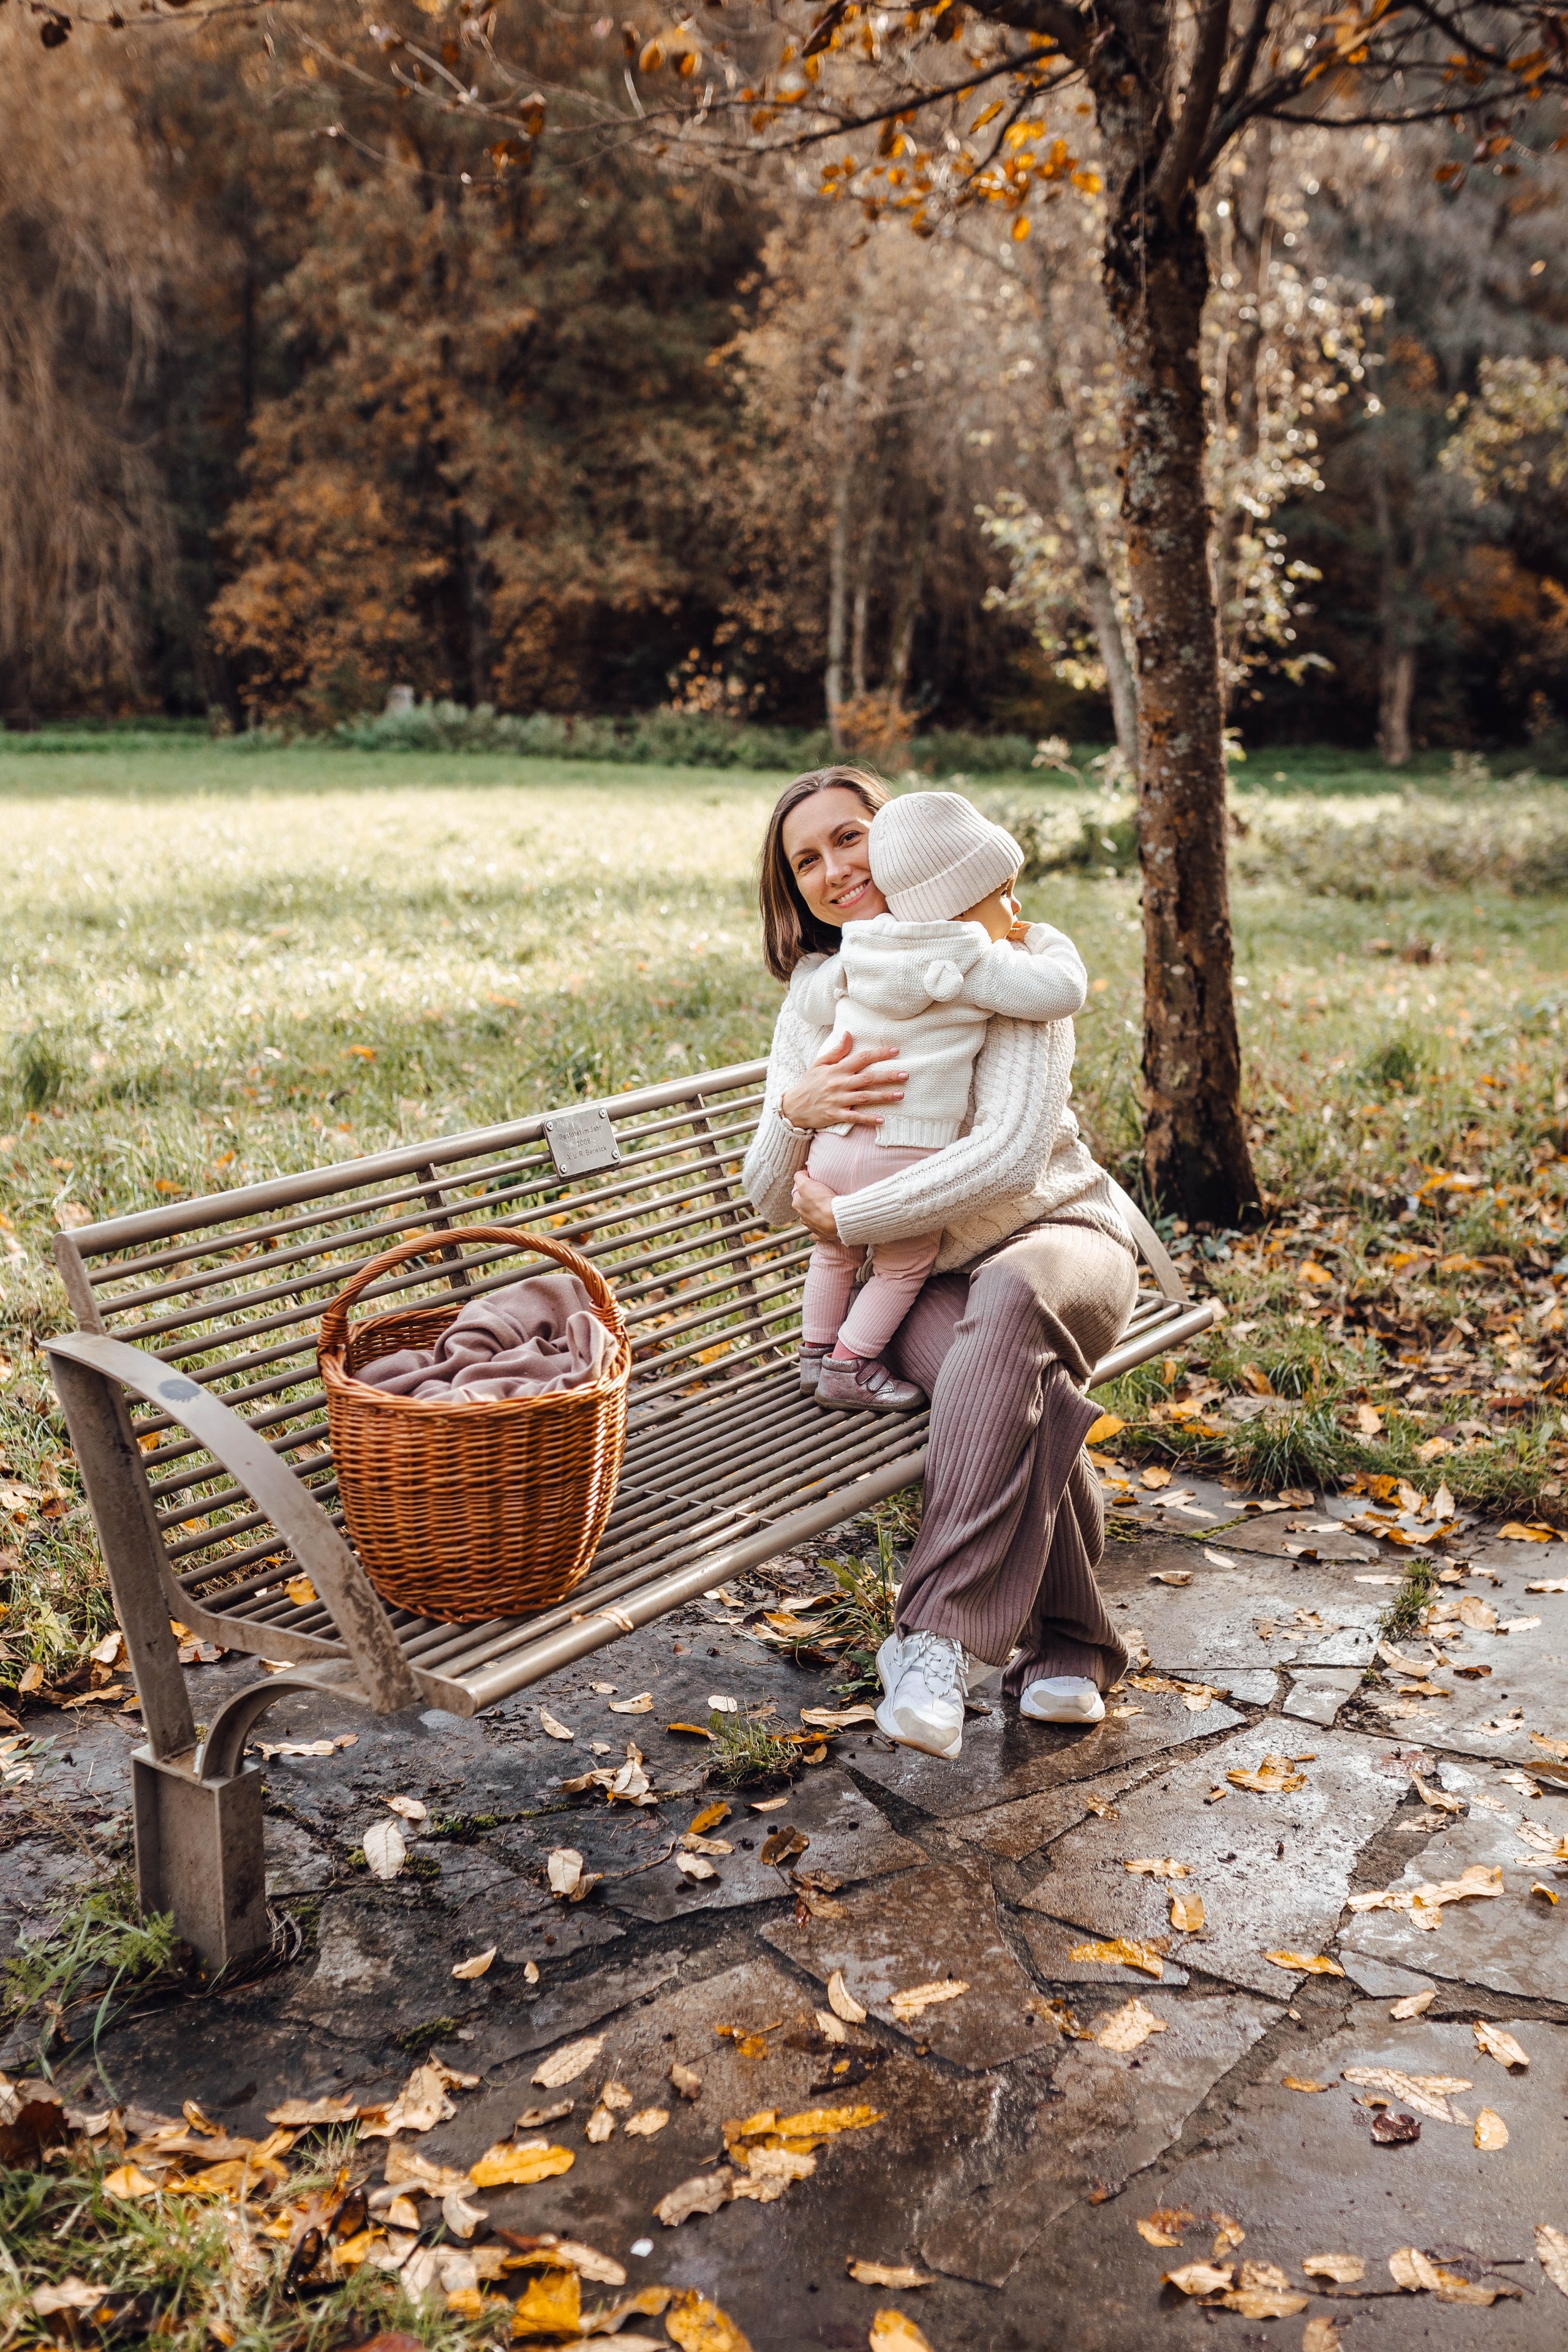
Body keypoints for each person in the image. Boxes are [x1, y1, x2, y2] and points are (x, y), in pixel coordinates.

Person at [742, 764, 1140, 1762]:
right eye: (807, 860)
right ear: (793, 892)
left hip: (1062, 1240)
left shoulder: (1012, 954)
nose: (837, 868)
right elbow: (764, 1194)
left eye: (852, 837)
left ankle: (933, 1634)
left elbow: (1008, 1154)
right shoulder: (822, 991)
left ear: (908, 840)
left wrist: (854, 1213)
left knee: (1010, 1304)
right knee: (1011, 1384)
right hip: (919, 1279)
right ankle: (1074, 1645)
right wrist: (798, 1112)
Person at [789, 791, 1090, 1412]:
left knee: (832, 1251)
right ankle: (848, 1365)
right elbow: (1061, 991)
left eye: (849, 841)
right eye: (1003, 895)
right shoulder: (971, 960)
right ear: (962, 898)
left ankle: (813, 1353)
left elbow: (811, 1003)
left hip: (833, 1148)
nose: (1014, 909)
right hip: (905, 1149)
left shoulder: (863, 946)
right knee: (905, 1265)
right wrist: (1046, 940)